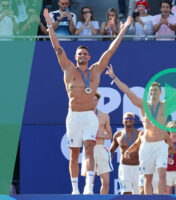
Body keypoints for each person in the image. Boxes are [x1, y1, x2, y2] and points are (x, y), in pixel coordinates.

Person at [43, 9, 131, 194]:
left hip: (90, 116)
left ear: (89, 57)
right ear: (75, 57)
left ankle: (89, 188)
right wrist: (50, 25)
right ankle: (75, 189)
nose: (82, 56)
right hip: (73, 115)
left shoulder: (96, 70)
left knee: (89, 149)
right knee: (74, 153)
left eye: (84, 54)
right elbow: (56, 46)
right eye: (79, 54)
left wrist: (123, 30)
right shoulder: (68, 68)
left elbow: (111, 50)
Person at [105, 65, 176, 194]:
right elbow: (127, 91)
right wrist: (114, 78)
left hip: (161, 145)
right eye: (152, 90)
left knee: (161, 174)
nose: (154, 92)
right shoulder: (143, 105)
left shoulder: (166, 105)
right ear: (149, 93)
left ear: (160, 93)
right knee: (147, 178)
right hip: (147, 146)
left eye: (156, 90)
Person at [81, 92, 113, 194]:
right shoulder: (83, 115)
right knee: (89, 183)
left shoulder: (104, 116)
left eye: (95, 100)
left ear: (98, 101)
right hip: (89, 148)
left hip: (101, 148)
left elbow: (109, 135)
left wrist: (99, 135)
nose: (93, 103)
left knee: (106, 182)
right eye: (91, 100)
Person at [109, 112, 141, 194]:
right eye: (125, 119)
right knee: (126, 194)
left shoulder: (139, 134)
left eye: (130, 118)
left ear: (133, 121)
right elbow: (111, 151)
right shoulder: (118, 135)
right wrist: (108, 163)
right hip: (124, 168)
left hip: (138, 168)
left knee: (139, 195)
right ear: (122, 121)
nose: (128, 120)